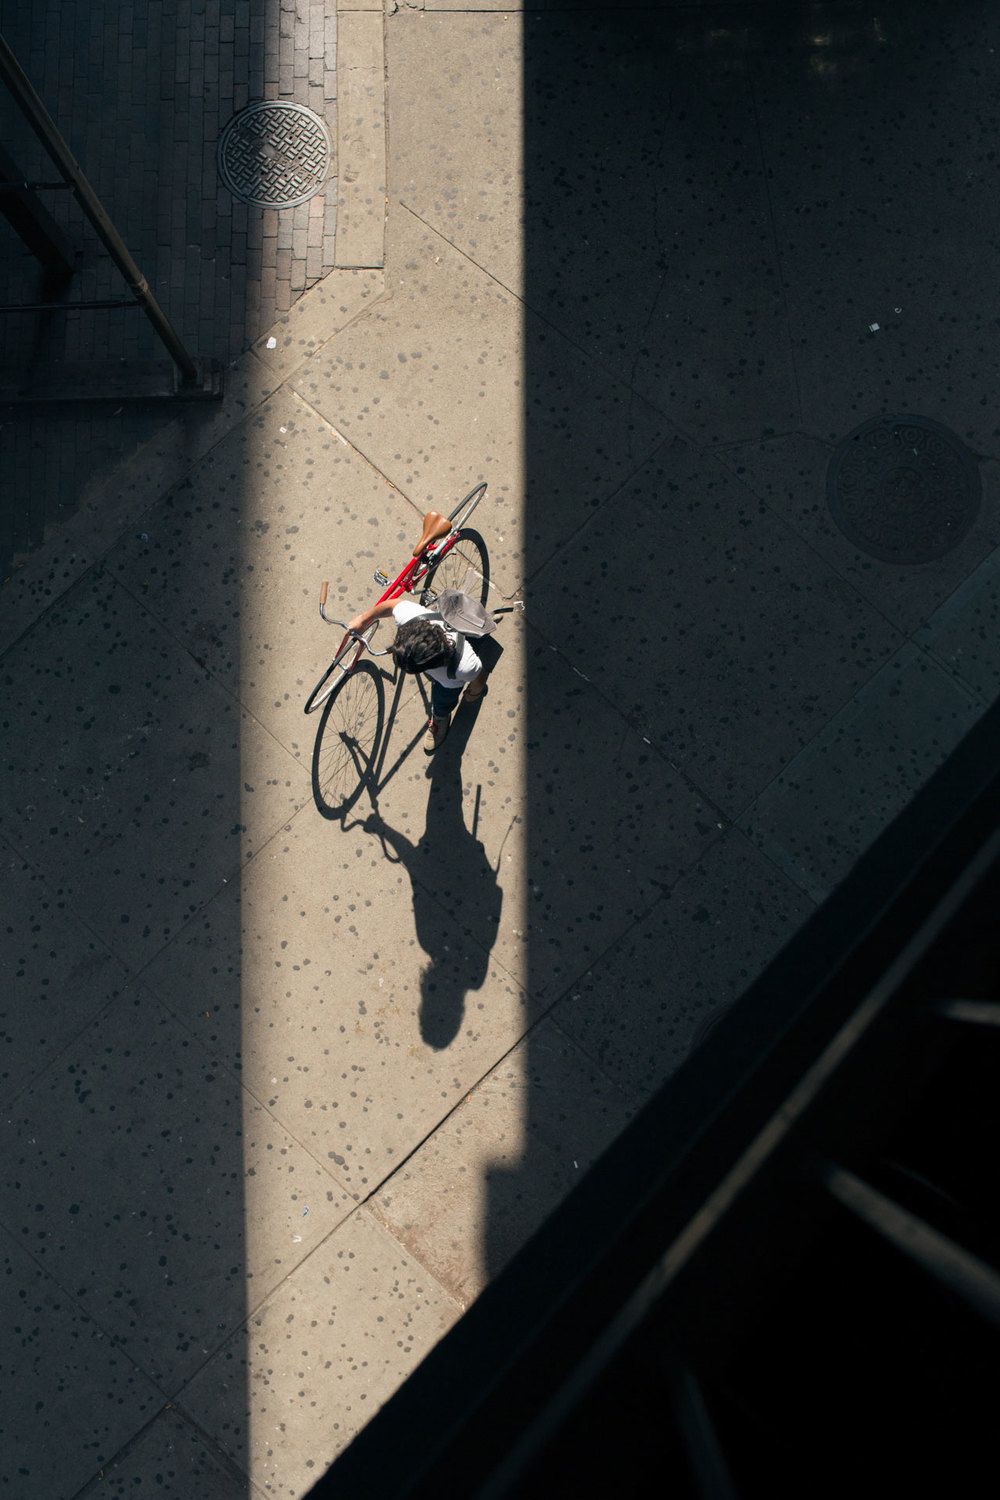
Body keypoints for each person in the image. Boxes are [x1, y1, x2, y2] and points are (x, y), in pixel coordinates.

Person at [346, 591, 488, 754]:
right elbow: (392, 605)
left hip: (452, 675)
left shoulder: (464, 666)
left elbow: (478, 675)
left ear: (432, 664)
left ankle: (440, 717)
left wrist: (475, 692)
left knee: (443, 698)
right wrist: (363, 619)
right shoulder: (409, 616)